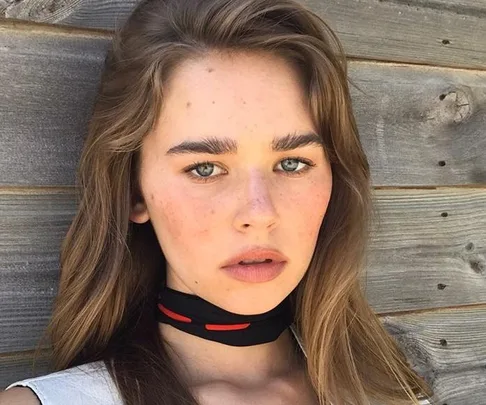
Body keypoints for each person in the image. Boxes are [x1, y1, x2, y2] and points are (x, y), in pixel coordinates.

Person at [0, 0, 434, 404]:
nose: (259, 213)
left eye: (292, 163)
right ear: (134, 191)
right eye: (205, 168)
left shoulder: (392, 390)